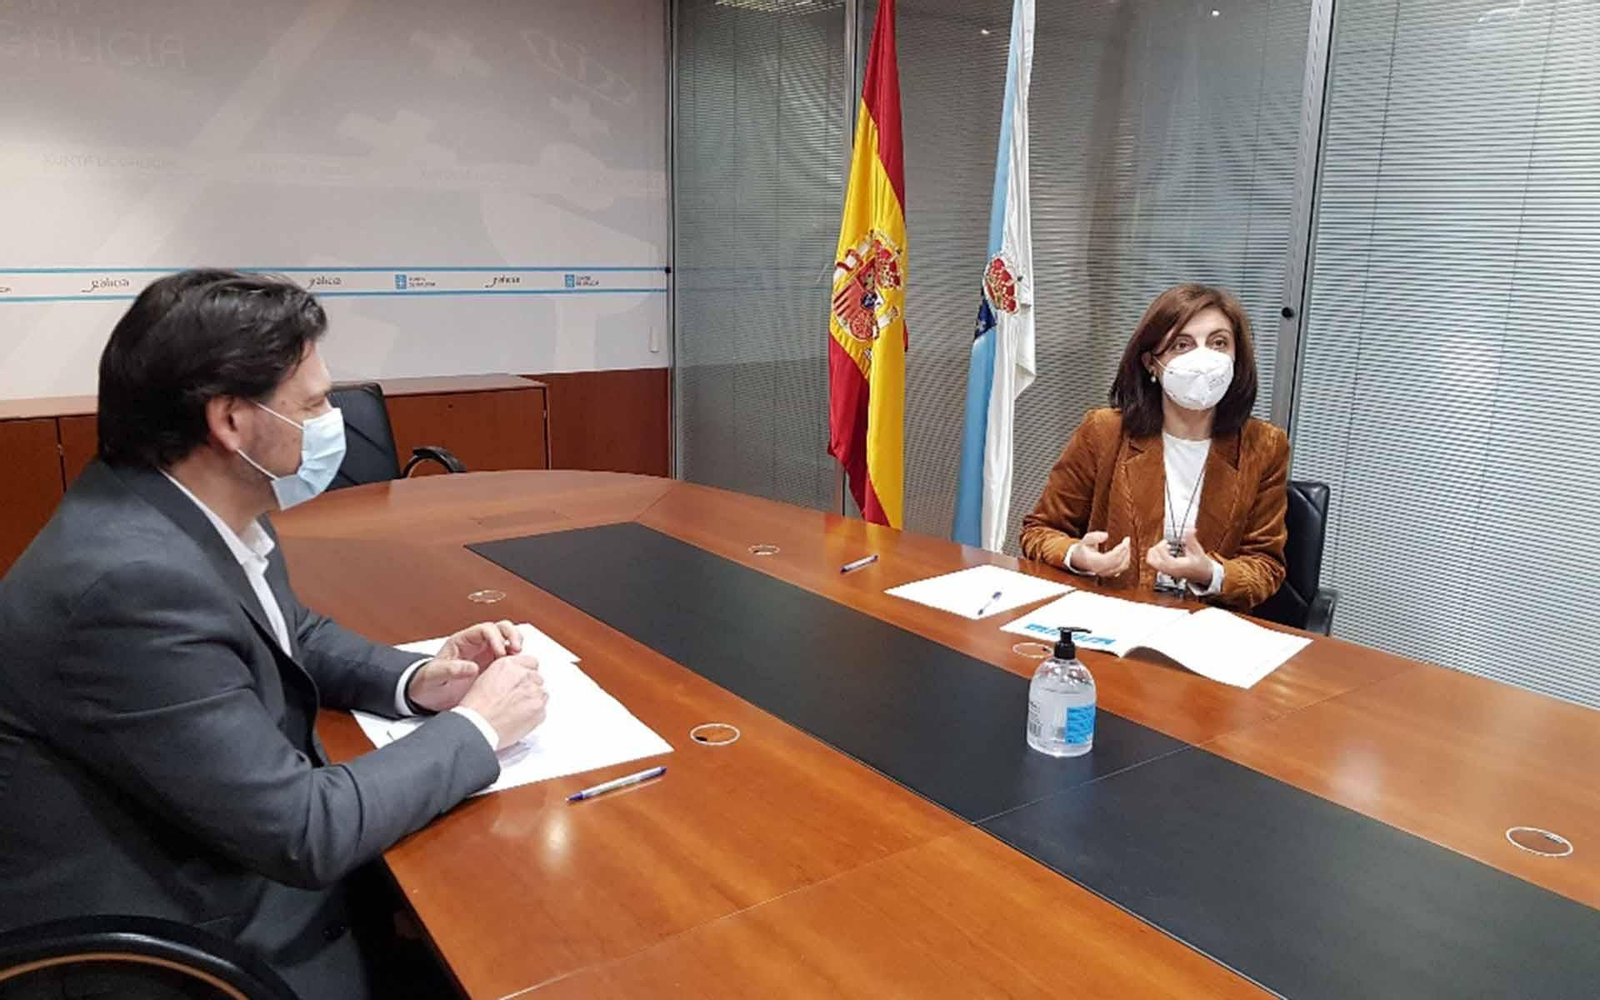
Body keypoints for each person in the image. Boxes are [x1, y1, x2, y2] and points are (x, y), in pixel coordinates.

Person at [0, 270, 549, 1000]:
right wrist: (479, 728)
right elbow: (305, 831)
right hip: (192, 944)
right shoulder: (131, 585)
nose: (332, 422)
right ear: (231, 421)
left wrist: (416, 680)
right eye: (314, 403)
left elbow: (291, 631)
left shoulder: (179, 509)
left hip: (218, 854)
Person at [1019, 283, 1288, 609]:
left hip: (1201, 625)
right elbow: (1039, 531)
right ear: (1151, 363)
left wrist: (1211, 573)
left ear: (1236, 357)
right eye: (1182, 345)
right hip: (1114, 614)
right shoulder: (1104, 432)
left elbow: (1266, 566)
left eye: (1218, 343)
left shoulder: (1264, 446)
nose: (1203, 358)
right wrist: (1078, 556)